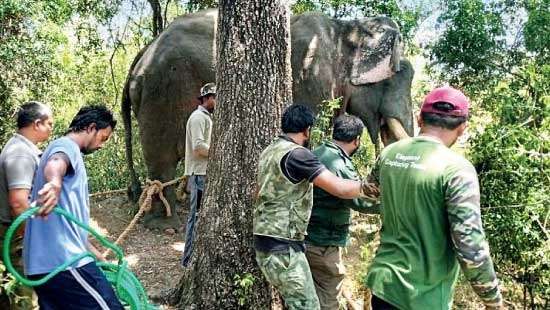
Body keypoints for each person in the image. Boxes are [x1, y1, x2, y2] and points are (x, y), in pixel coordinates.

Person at [365, 86, 503, 310]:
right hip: (423, 297)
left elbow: (367, 193)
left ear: (419, 119)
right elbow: (470, 246)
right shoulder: (457, 170)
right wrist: (493, 301)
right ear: (462, 128)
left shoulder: (389, 154)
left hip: (384, 286)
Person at [253, 104, 379, 310]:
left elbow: (257, 193)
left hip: (264, 242)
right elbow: (339, 188)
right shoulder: (299, 155)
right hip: (284, 247)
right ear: (307, 130)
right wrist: (375, 187)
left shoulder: (270, 151)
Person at [23, 105, 124, 309]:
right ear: (91, 127)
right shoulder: (67, 146)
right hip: (65, 264)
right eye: (103, 138)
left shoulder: (58, 147)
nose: (101, 145)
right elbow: (56, 163)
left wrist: (92, 251)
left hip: (42, 266)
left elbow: (66, 222)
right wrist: (54, 183)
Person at [306, 114, 379, 310]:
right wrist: (391, 205)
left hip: (306, 238)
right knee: (328, 299)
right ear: (357, 140)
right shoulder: (339, 164)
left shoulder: (317, 152)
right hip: (323, 243)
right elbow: (359, 201)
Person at [0, 101, 53, 310]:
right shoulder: (20, 153)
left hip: (12, 234)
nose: (51, 129)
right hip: (14, 236)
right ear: (37, 124)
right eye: (49, 124)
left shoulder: (20, 148)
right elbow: (18, 201)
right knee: (24, 296)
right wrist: (34, 238)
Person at [181, 82, 216, 267]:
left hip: (203, 173)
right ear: (208, 98)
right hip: (198, 174)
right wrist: (219, 153)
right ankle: (187, 260)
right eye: (215, 97)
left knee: (200, 216)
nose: (217, 101)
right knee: (195, 217)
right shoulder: (198, 118)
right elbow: (198, 146)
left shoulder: (206, 118)